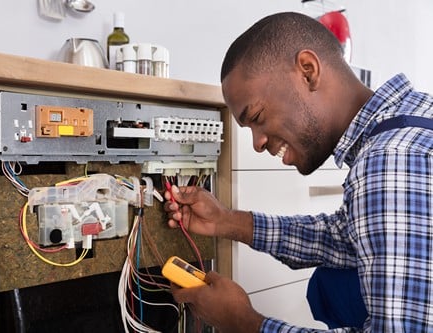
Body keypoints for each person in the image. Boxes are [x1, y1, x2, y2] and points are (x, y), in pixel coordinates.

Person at [164, 11, 433, 333]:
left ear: (308, 71)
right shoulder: (413, 119)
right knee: (332, 280)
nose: (257, 143)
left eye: (258, 116)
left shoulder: (392, 161)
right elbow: (348, 240)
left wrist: (244, 323)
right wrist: (227, 221)